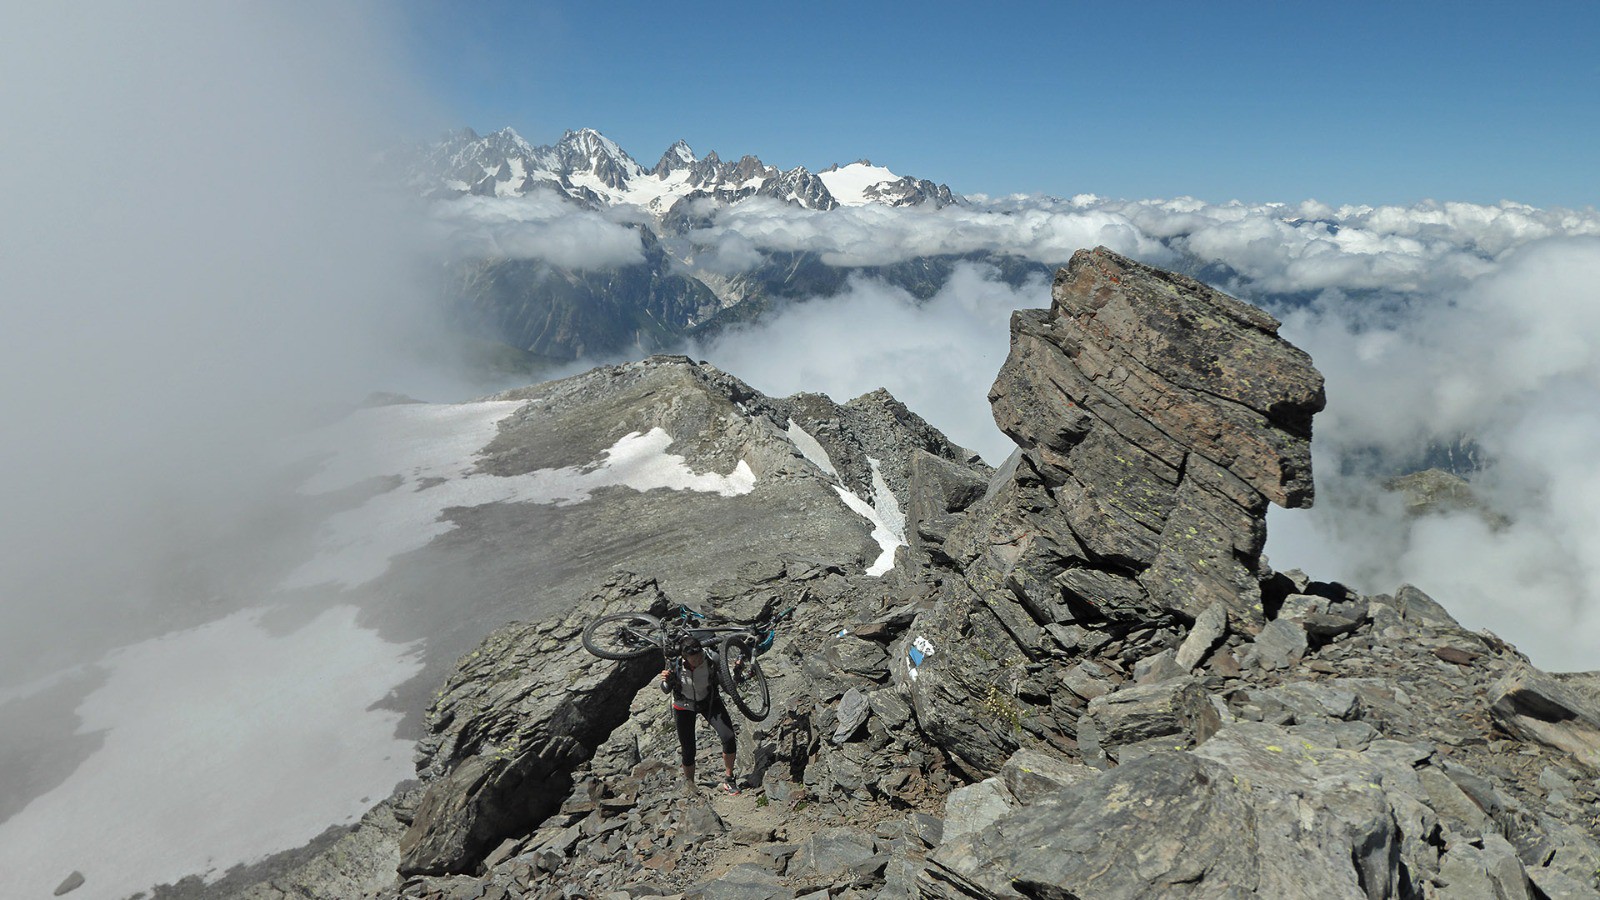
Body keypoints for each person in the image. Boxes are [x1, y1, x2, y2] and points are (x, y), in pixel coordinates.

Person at [660, 634, 740, 794]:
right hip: (684, 706)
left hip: (709, 701)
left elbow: (726, 684)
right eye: (693, 658)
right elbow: (666, 689)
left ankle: (729, 778)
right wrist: (666, 680)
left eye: (698, 656)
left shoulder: (712, 658)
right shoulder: (675, 664)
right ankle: (690, 785)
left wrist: (736, 674)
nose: (697, 660)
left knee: (728, 737)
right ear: (684, 657)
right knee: (688, 750)